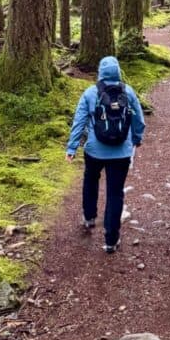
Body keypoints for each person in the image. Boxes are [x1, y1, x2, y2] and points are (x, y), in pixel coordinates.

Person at [66, 56, 145, 254]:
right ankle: (111, 239)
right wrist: (136, 138)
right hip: (121, 152)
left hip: (94, 150)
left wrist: (72, 148)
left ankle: (89, 217)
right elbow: (138, 120)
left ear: (100, 73)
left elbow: (79, 122)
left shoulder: (90, 93)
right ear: (118, 72)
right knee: (115, 192)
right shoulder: (128, 92)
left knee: (90, 180)